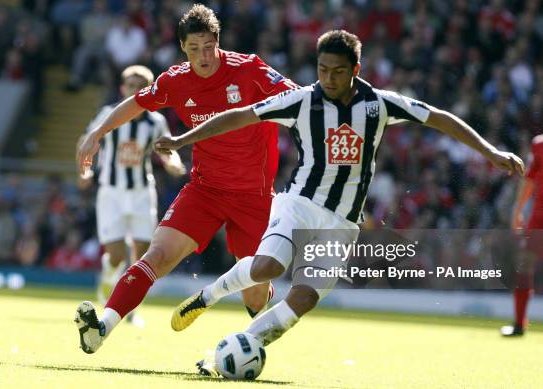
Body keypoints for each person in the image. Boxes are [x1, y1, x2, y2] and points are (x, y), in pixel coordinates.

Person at [155, 29, 524, 371]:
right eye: (322, 69)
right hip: (299, 202)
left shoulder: (379, 104)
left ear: (356, 69)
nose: (328, 78)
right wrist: (181, 140)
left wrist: (490, 152)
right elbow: (241, 116)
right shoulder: (301, 100)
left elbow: (438, 118)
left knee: (303, 300)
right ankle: (207, 295)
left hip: (344, 222)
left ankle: (232, 352)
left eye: (337, 71)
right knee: (268, 266)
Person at [74, 4, 296, 354]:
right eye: (194, 49)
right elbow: (137, 102)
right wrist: (99, 131)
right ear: (182, 47)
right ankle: (102, 327)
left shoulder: (250, 70)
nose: (203, 56)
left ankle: (249, 340)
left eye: (208, 47)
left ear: (218, 42)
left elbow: (297, 99)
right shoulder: (176, 81)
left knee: (254, 291)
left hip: (254, 196)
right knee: (157, 255)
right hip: (204, 190)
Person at [77, 65, 185, 309]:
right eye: (130, 85)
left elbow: (167, 150)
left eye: (140, 86)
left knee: (143, 254)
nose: (134, 90)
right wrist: (85, 171)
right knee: (115, 255)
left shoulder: (155, 121)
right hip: (111, 192)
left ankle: (129, 308)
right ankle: (108, 277)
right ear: (122, 87)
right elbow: (85, 141)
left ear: (148, 90)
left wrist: (173, 163)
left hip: (141, 192)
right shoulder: (108, 114)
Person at [503, 134, 543, 336]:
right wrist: (518, 210)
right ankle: (519, 323)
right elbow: (529, 181)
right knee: (524, 266)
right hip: (539, 219)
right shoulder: (539, 145)